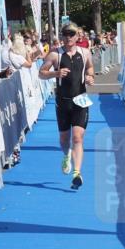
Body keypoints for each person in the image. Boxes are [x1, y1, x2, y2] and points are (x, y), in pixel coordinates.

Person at [39, 23, 94, 189]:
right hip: (63, 101)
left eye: (72, 34)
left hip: (81, 100)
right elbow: (41, 73)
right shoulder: (55, 54)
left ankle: (77, 173)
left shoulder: (85, 52)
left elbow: (90, 68)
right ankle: (66, 154)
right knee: (64, 139)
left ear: (78, 36)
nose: (68, 37)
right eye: (65, 34)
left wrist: (90, 77)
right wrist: (56, 73)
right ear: (62, 36)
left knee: (78, 137)